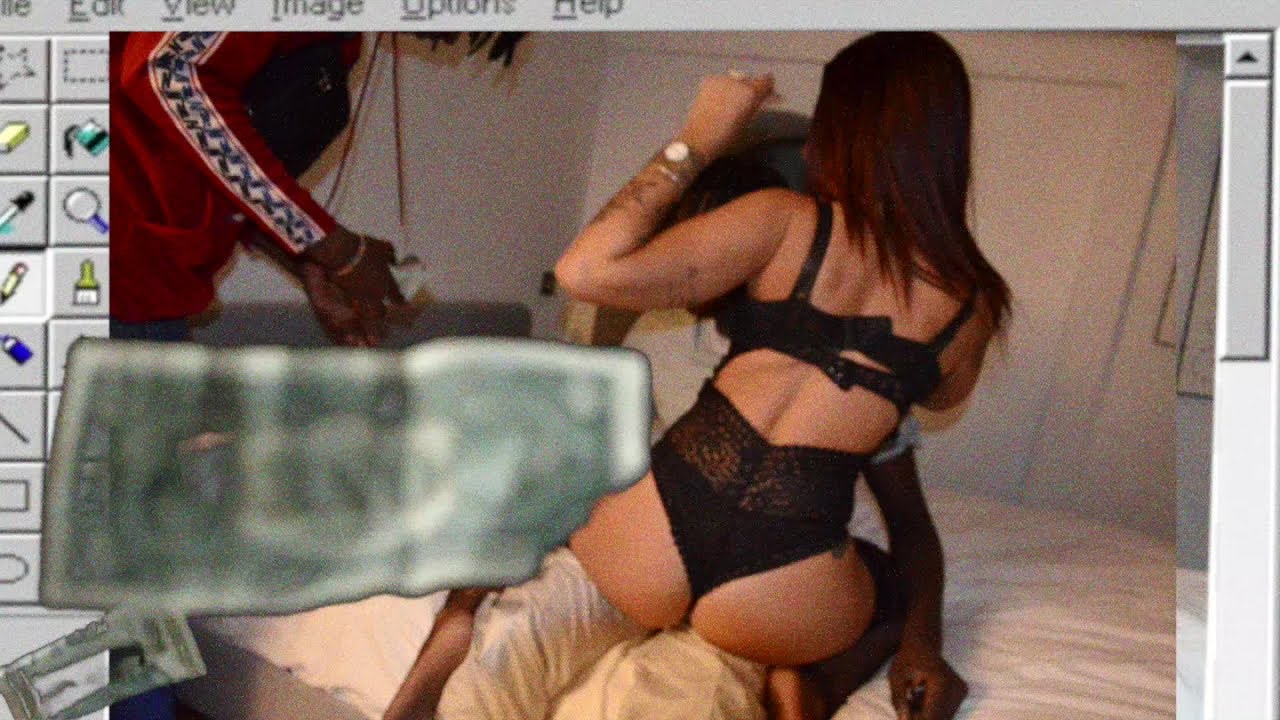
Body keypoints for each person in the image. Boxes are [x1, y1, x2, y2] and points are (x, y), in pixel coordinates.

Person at [555, 30, 1008, 720]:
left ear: (841, 129)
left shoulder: (783, 221)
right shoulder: (972, 307)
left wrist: (697, 137)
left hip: (646, 546)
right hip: (779, 598)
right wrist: (922, 645)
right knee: (888, 582)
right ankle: (814, 687)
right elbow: (937, 402)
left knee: (551, 496)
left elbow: (584, 271)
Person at [111, 32, 407, 347]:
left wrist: (302, 258)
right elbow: (168, 70)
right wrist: (335, 248)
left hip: (146, 272)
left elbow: (212, 148)